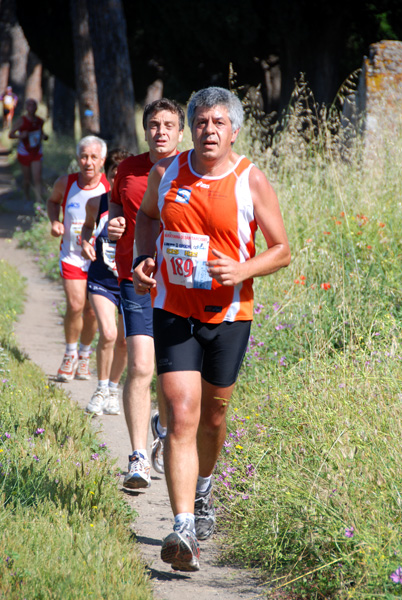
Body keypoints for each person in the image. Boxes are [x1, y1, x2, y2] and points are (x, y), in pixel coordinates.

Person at [133, 87, 291, 571]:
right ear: (191, 127)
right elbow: (147, 218)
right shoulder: (166, 173)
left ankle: (203, 491)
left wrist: (243, 271)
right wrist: (143, 258)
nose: (209, 130)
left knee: (213, 418)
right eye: (201, 122)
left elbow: (282, 250)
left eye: (218, 123)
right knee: (181, 415)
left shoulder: (251, 180)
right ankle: (182, 527)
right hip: (174, 308)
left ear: (234, 131)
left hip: (229, 316)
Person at [107, 98, 184, 490]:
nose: (161, 131)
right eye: (154, 124)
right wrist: (113, 225)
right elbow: (116, 207)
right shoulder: (127, 168)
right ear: (145, 129)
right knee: (139, 365)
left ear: (180, 132)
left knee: (172, 378)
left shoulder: (192, 170)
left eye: (169, 125)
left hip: (180, 284)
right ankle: (137, 456)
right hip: (134, 277)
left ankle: (162, 425)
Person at [47, 135, 109, 382]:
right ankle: (70, 354)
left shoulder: (109, 188)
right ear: (77, 158)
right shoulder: (66, 183)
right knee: (74, 306)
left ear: (102, 160)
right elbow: (53, 202)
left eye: (94, 157)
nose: (88, 162)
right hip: (71, 255)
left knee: (92, 312)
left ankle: (85, 356)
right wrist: (54, 221)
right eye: (84, 156)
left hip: (98, 260)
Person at [80, 148, 131, 416]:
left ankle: (113, 390)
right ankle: (100, 388)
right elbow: (88, 227)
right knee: (109, 334)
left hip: (128, 281)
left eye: (125, 173)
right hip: (101, 278)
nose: (119, 177)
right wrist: (86, 242)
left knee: (123, 341)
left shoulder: (141, 206)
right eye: (115, 172)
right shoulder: (96, 203)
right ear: (108, 175)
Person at [9, 98, 48, 204]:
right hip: (24, 152)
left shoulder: (40, 121)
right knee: (27, 179)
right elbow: (11, 134)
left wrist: (44, 136)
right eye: (29, 105)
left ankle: (39, 202)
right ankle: (26, 195)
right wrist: (20, 135)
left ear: (36, 108)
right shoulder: (21, 120)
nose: (32, 108)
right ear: (26, 108)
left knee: (37, 178)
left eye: (34, 105)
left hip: (36, 152)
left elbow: (42, 133)